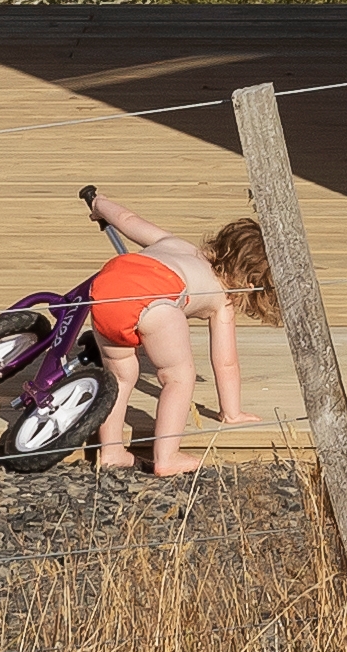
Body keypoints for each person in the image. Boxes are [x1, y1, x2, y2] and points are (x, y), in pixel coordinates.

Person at [74, 184, 274, 479]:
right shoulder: (224, 299)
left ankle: (112, 452)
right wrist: (232, 413)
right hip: (158, 297)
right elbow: (225, 361)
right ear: (249, 285)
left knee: (120, 376)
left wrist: (100, 205)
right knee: (178, 377)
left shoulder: (176, 244)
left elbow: (128, 221)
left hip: (108, 285)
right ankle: (166, 456)